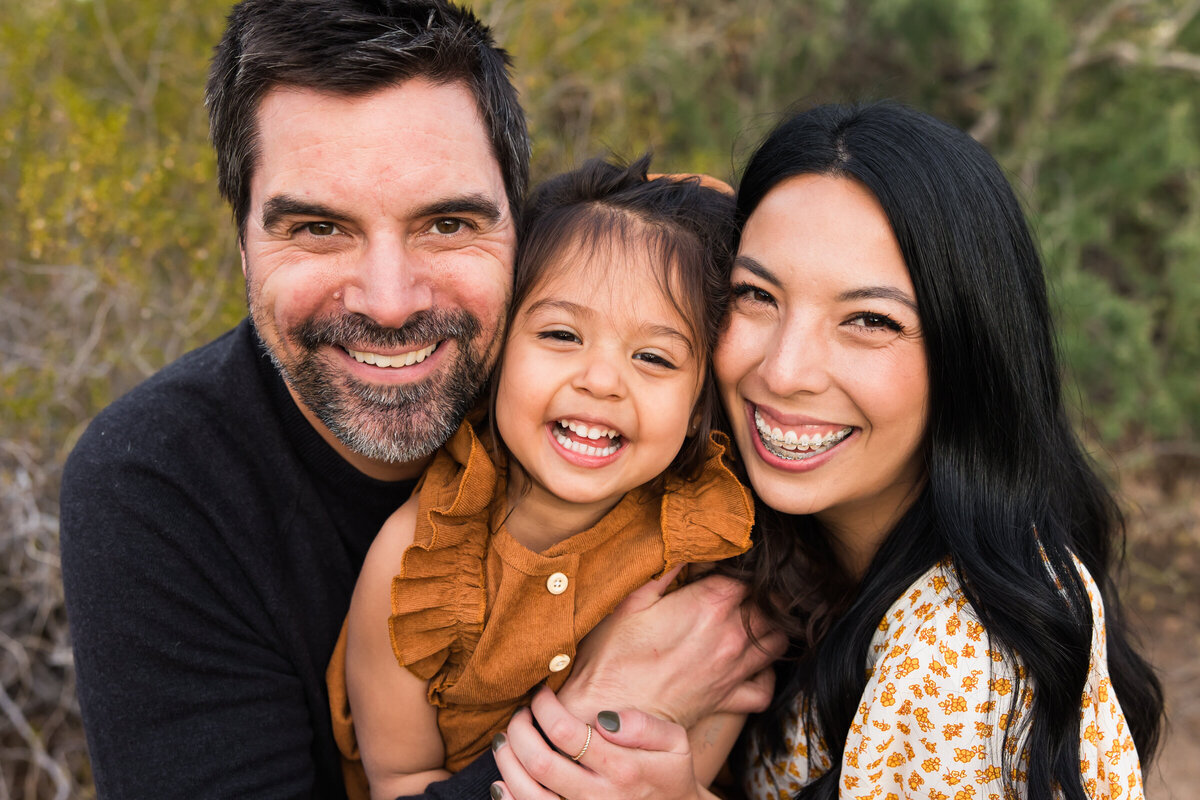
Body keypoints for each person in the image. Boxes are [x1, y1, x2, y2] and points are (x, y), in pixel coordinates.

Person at [58, 2, 781, 797]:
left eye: (446, 222)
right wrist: (606, 711)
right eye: (317, 228)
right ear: (241, 244)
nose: (391, 301)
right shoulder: (158, 483)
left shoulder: (709, 434)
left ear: (520, 224)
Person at [490, 101, 1164, 800]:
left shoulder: (959, 663)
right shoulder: (772, 539)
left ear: (970, 353)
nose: (784, 371)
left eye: (869, 320)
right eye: (756, 294)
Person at [329, 157, 754, 799]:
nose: (602, 380)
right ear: (496, 347)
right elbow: (401, 782)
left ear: (699, 403)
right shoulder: (414, 563)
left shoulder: (703, 535)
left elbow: (700, 743)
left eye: (653, 357)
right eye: (560, 333)